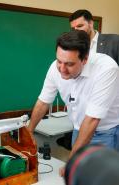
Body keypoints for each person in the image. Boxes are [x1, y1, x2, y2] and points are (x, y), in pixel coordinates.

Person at [28, 30, 119, 176]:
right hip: (78, 129)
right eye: (59, 61)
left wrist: (71, 161)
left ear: (85, 59)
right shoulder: (55, 68)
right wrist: (29, 131)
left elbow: (92, 119)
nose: (62, 69)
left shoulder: (107, 68)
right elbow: (43, 102)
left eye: (69, 64)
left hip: (104, 132)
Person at [57, 9, 119, 150]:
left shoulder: (114, 42)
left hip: (108, 119)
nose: (76, 30)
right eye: (73, 28)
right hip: (82, 117)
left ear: (91, 23)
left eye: (80, 26)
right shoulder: (73, 48)